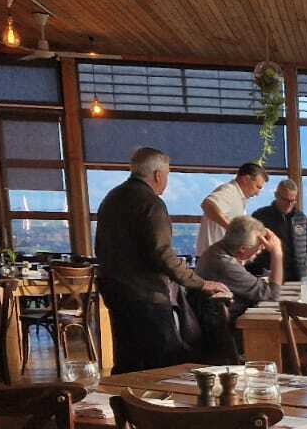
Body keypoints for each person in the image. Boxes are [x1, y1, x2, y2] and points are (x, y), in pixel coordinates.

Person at [93, 146, 230, 373]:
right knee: (164, 362)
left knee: (128, 360)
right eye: (167, 174)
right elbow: (162, 254)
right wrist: (200, 283)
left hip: (114, 289)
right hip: (145, 293)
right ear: (158, 175)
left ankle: (126, 395)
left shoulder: (112, 197)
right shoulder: (151, 203)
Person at [195, 216, 282, 362]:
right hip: (231, 337)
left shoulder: (216, 251)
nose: (262, 248)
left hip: (222, 329)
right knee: (282, 337)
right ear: (242, 249)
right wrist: (277, 253)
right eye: (259, 244)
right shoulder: (223, 263)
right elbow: (272, 295)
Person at [247, 179, 307, 282]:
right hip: (270, 275)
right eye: (285, 200)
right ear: (276, 195)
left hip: (298, 277)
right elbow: (250, 246)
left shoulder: (300, 218)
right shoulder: (261, 216)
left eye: (292, 200)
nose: (289, 204)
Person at [196, 161, 269, 256]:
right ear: (246, 179)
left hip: (220, 255)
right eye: (258, 187)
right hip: (215, 257)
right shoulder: (230, 190)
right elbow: (208, 205)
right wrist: (233, 229)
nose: (257, 193)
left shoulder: (238, 196)